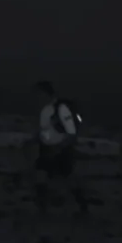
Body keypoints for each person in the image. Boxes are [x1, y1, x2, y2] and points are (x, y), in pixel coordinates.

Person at [32, 81, 90, 215]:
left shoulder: (61, 108)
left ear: (46, 94)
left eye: (38, 94)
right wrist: (35, 140)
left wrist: (59, 147)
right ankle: (42, 209)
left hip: (61, 151)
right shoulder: (45, 110)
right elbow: (45, 131)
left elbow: (71, 133)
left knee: (69, 180)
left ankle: (83, 206)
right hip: (47, 149)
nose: (36, 98)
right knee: (40, 176)